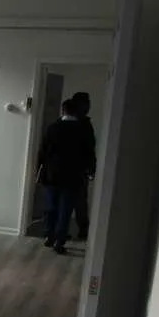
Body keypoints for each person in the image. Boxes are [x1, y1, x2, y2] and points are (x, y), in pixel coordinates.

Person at [37, 99, 96, 255]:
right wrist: (91, 171)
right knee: (66, 209)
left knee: (51, 207)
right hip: (73, 175)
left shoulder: (53, 128)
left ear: (63, 111)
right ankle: (60, 241)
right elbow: (89, 152)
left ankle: (49, 235)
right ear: (76, 112)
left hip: (52, 174)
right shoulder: (83, 130)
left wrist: (39, 169)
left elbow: (43, 152)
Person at [70, 91, 97, 240]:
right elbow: (90, 149)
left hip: (76, 170)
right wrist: (91, 169)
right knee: (79, 202)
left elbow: (90, 149)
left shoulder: (82, 123)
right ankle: (82, 230)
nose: (87, 106)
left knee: (77, 202)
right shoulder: (84, 124)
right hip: (78, 169)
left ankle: (81, 229)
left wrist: (91, 168)